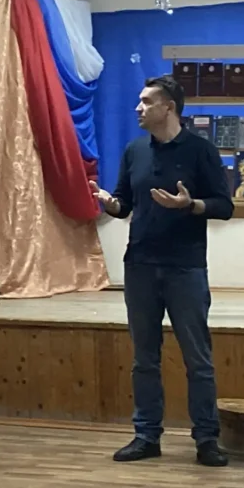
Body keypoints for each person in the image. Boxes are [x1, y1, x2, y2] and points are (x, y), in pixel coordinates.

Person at [90, 75, 233, 467]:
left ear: (168, 107)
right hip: (140, 265)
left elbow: (224, 205)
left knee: (197, 358)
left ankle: (207, 438)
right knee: (144, 359)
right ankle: (146, 435)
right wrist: (109, 203)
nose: (138, 107)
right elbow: (124, 202)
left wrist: (191, 205)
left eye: (146, 101)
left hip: (185, 267)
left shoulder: (201, 150)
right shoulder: (135, 150)